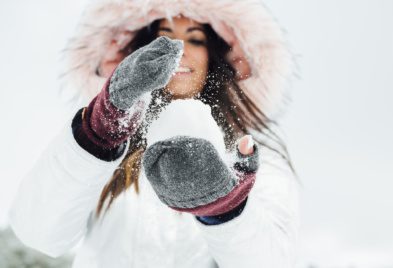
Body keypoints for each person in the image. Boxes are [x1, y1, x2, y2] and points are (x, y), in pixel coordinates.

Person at [9, 0, 300, 267]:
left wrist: (225, 206)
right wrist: (99, 134)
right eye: (164, 36)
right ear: (138, 52)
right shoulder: (98, 147)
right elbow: (39, 232)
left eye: (196, 38)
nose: (179, 47)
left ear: (216, 57)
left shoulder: (249, 158)